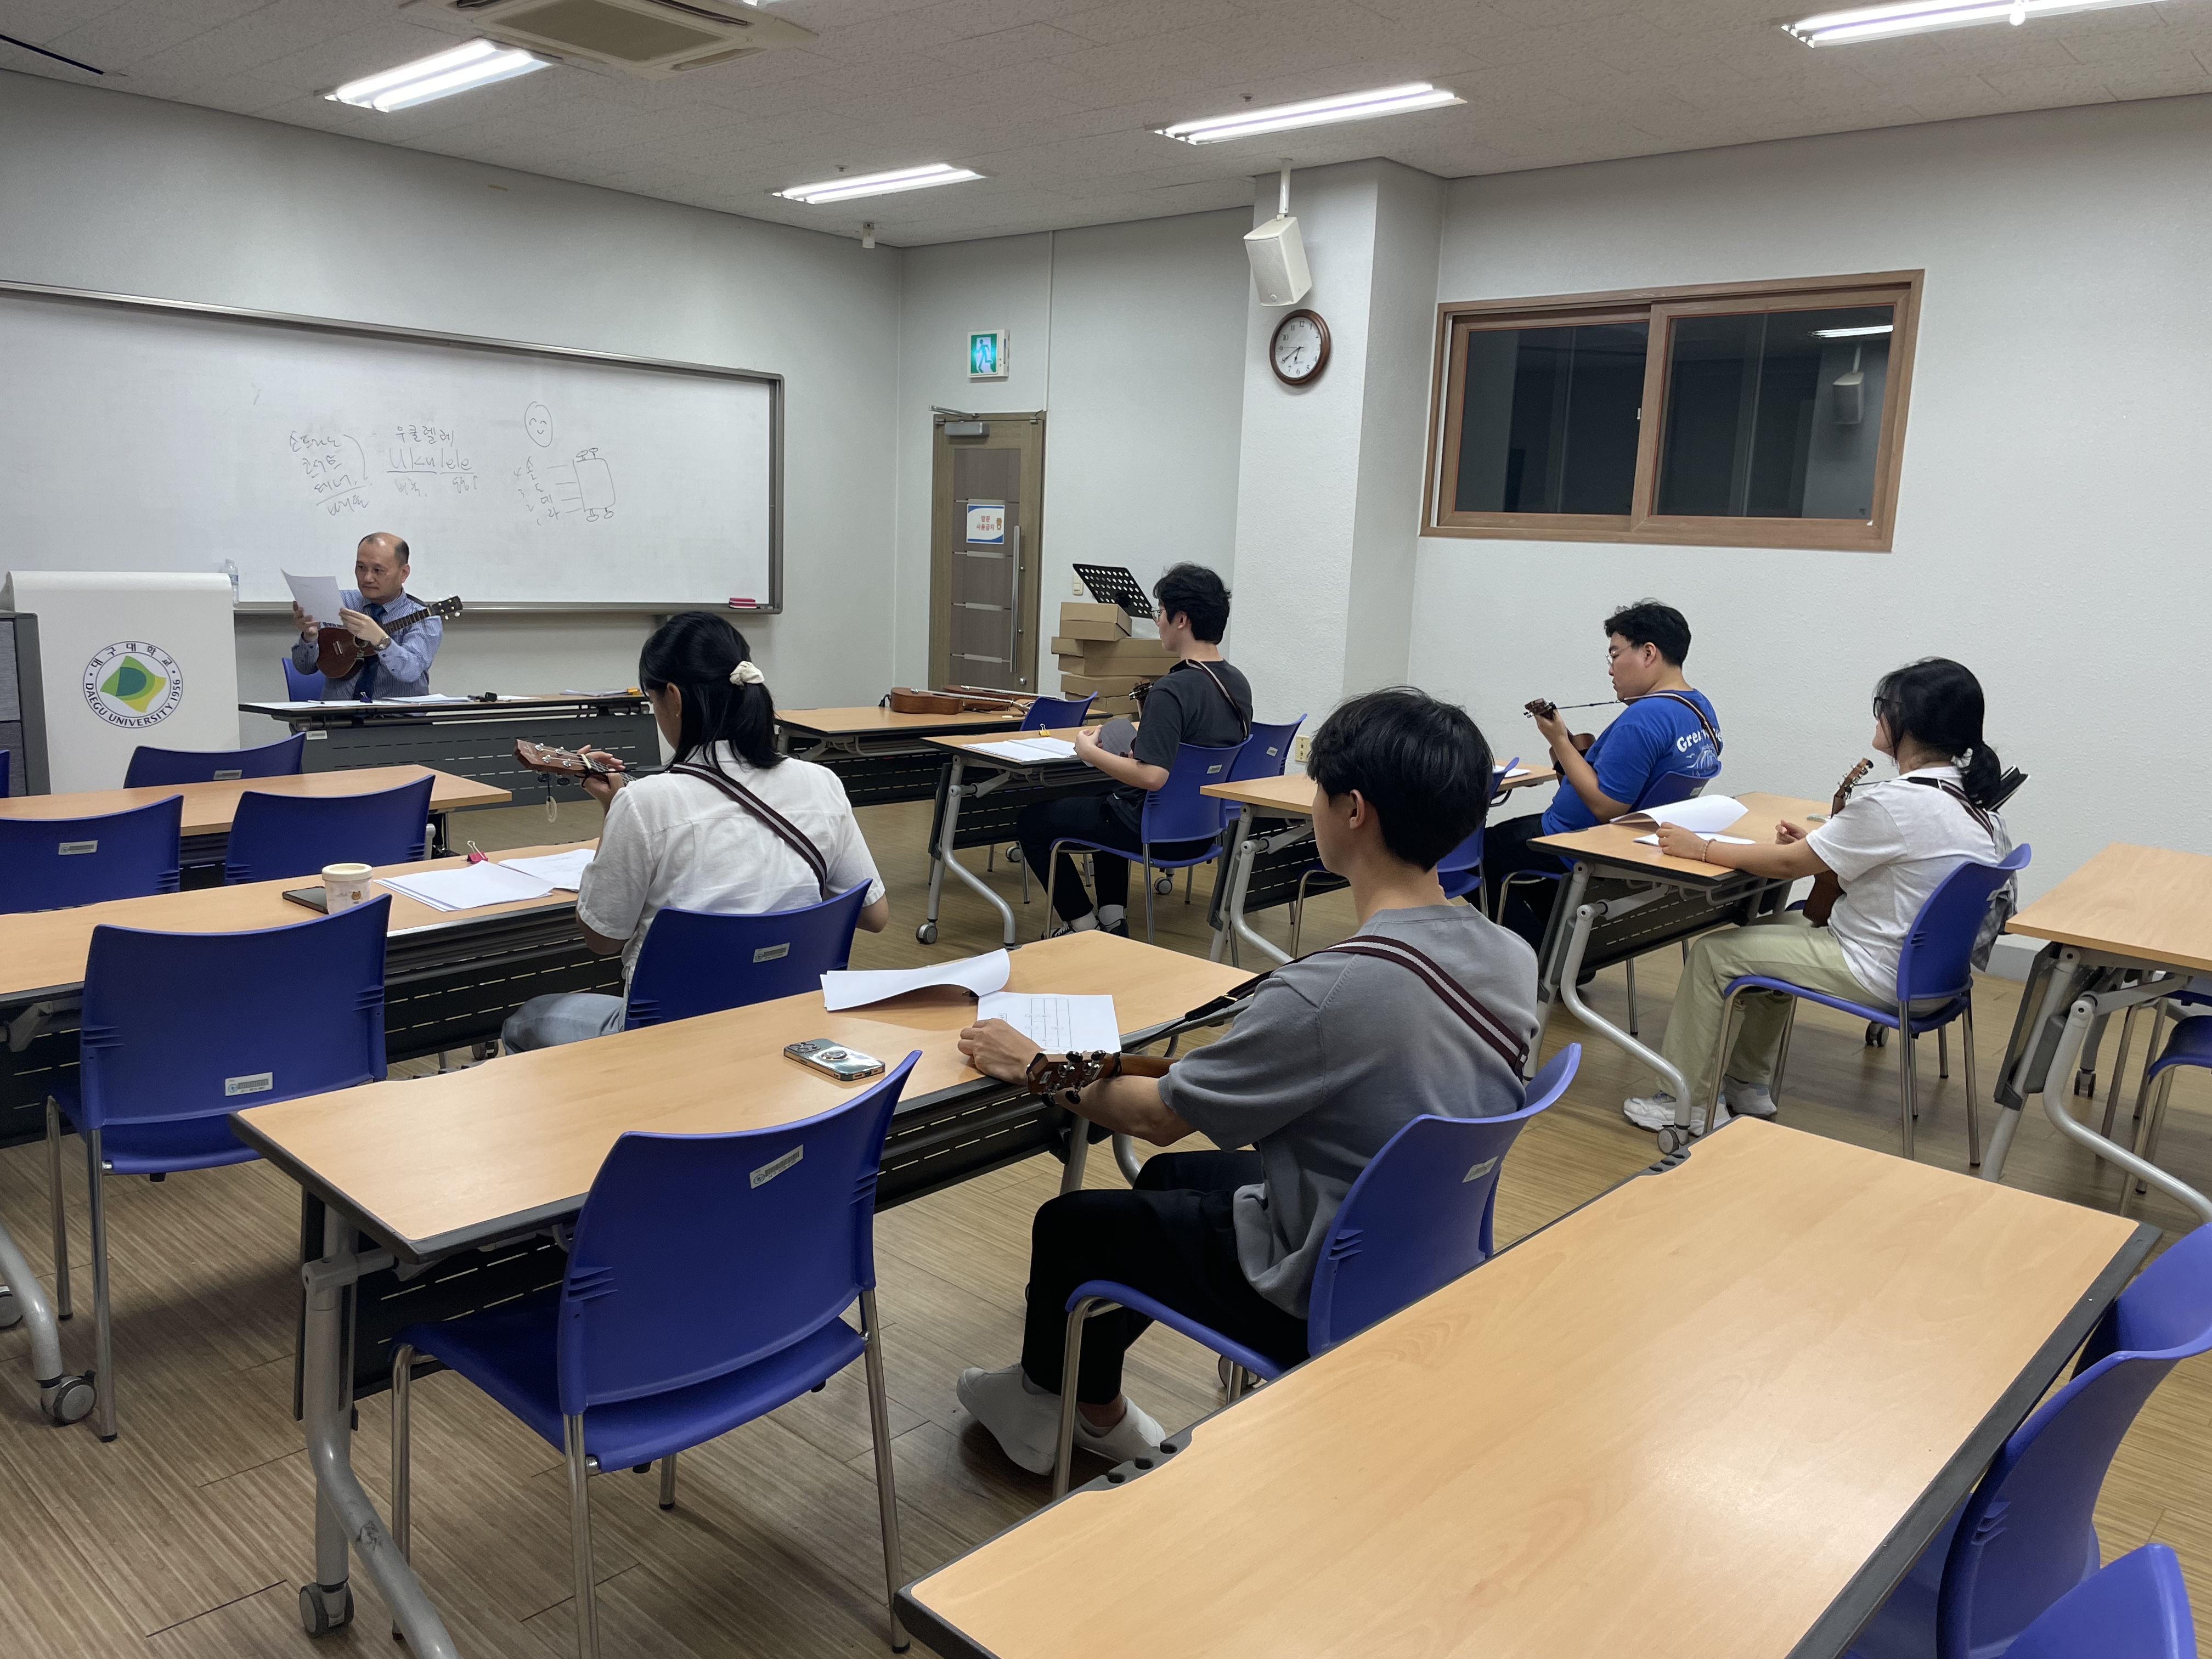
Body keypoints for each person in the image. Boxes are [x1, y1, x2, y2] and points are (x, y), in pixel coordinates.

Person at [953, 688, 1539, 1473]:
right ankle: (1092, 1403)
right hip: (1420, 1246)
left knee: (1070, 1226)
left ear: (1353, 811)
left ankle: (1042, 1410)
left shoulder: (1329, 992)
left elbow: (1156, 1117)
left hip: (1326, 1283)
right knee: (1171, 1182)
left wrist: (1035, 1066)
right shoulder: (1509, 955)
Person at [1623, 657, 2011, 1133]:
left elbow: (1790, 865)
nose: (1878, 717)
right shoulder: (1972, 803)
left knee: (1712, 956)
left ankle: (1687, 1104)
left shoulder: (1896, 802)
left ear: (1910, 723)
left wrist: (1699, 847)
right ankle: (1747, 1085)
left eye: (1885, 707)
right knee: (1777, 928)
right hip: (1934, 977)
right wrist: (1817, 848)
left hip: (1881, 969)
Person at [500, 612, 889, 1051]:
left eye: (653, 702)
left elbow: (603, 938)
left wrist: (616, 813)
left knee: (525, 1022)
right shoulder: (821, 784)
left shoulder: (644, 803)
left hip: (669, 1041)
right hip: (787, 1028)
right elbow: (875, 916)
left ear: (673, 697)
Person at [1015, 563, 1251, 937]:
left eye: (1161, 612)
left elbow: (1153, 776)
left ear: (1181, 620)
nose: (1157, 621)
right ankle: (1113, 919)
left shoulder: (1172, 690)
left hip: (1153, 832)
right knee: (1109, 801)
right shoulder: (1237, 683)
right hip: (1203, 832)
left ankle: (1081, 924)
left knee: (1032, 821)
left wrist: (1089, 752)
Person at [1483, 599, 1722, 950]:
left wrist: (1558, 741)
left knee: (1477, 856)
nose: (1611, 670)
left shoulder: (1645, 718)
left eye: (1615, 655)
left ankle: (1540, 962)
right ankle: (1567, 956)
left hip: (1580, 843)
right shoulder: (1699, 708)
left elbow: (1607, 806)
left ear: (1648, 653)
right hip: (1634, 846)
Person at [290, 532, 444, 701]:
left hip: (397, 716)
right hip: (339, 715)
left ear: (404, 573)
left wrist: (380, 640)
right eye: (361, 568)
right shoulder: (339, 604)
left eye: (378, 570)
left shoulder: (424, 618)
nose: (367, 578)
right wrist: (309, 638)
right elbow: (305, 668)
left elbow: (411, 671)